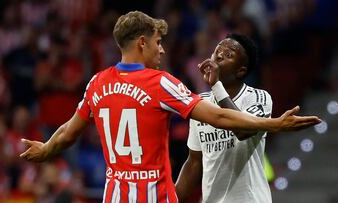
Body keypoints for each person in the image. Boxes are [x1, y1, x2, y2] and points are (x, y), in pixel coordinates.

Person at [20, 11, 321, 203]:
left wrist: (45, 149)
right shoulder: (160, 82)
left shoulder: (97, 82)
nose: (162, 48)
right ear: (141, 43)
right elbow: (216, 117)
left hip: (115, 196)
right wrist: (274, 124)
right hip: (155, 195)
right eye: (158, 41)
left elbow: (67, 133)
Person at [175, 33, 277, 202]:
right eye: (217, 51)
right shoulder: (201, 104)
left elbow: (243, 130)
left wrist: (216, 86)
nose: (219, 55)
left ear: (241, 70)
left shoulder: (259, 97)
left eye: (228, 55)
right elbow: (194, 163)